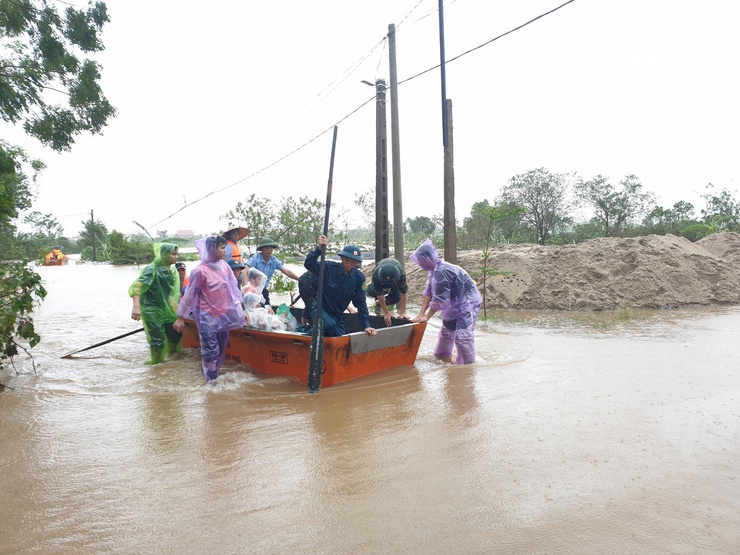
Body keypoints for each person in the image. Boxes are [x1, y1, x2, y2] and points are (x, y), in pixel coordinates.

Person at [173, 236, 244, 382]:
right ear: (212, 249)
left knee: (221, 349)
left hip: (223, 315)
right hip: (207, 316)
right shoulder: (200, 271)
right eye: (222, 248)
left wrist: (242, 311)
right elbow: (190, 295)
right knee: (211, 351)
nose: (225, 251)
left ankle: (210, 373)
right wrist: (181, 317)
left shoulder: (224, 266)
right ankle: (211, 384)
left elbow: (233, 290)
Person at [411, 239, 482, 364]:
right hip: (454, 305)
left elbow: (440, 300)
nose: (420, 264)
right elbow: (428, 293)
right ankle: (442, 357)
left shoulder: (442, 272)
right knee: (446, 333)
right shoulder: (433, 271)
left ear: (428, 258)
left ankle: (468, 366)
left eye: (421, 261)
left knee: (463, 336)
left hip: (467, 304)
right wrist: (421, 314)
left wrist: (427, 316)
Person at [304, 235, 377, 338]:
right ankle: (307, 334)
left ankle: (313, 333)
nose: (348, 264)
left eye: (352, 262)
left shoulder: (359, 278)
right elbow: (309, 264)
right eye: (346, 260)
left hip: (337, 314)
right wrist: (318, 250)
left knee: (340, 338)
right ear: (342, 258)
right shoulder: (329, 267)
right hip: (320, 309)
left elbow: (360, 302)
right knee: (329, 326)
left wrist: (366, 325)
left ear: (356, 263)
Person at [129, 243, 183, 365]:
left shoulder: (172, 269)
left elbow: (174, 293)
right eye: (173, 254)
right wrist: (136, 307)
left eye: (177, 254)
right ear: (164, 254)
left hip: (167, 309)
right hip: (151, 310)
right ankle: (156, 365)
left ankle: (173, 362)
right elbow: (137, 287)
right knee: (157, 341)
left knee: (175, 336)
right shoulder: (151, 269)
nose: (176, 257)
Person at [245, 237, 301, 309]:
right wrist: (246, 286)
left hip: (264, 290)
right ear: (261, 249)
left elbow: (286, 271)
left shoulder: (274, 260)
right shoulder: (255, 259)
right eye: (266, 248)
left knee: (268, 308)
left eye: (271, 248)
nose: (269, 250)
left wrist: (299, 279)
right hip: (252, 290)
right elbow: (245, 271)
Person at [366, 258, 410, 326]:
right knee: (371, 292)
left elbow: (403, 293)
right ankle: (378, 304)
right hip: (380, 275)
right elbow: (379, 294)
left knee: (396, 298)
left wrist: (403, 313)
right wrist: (386, 313)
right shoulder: (376, 274)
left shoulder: (401, 274)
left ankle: (381, 303)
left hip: (394, 279)